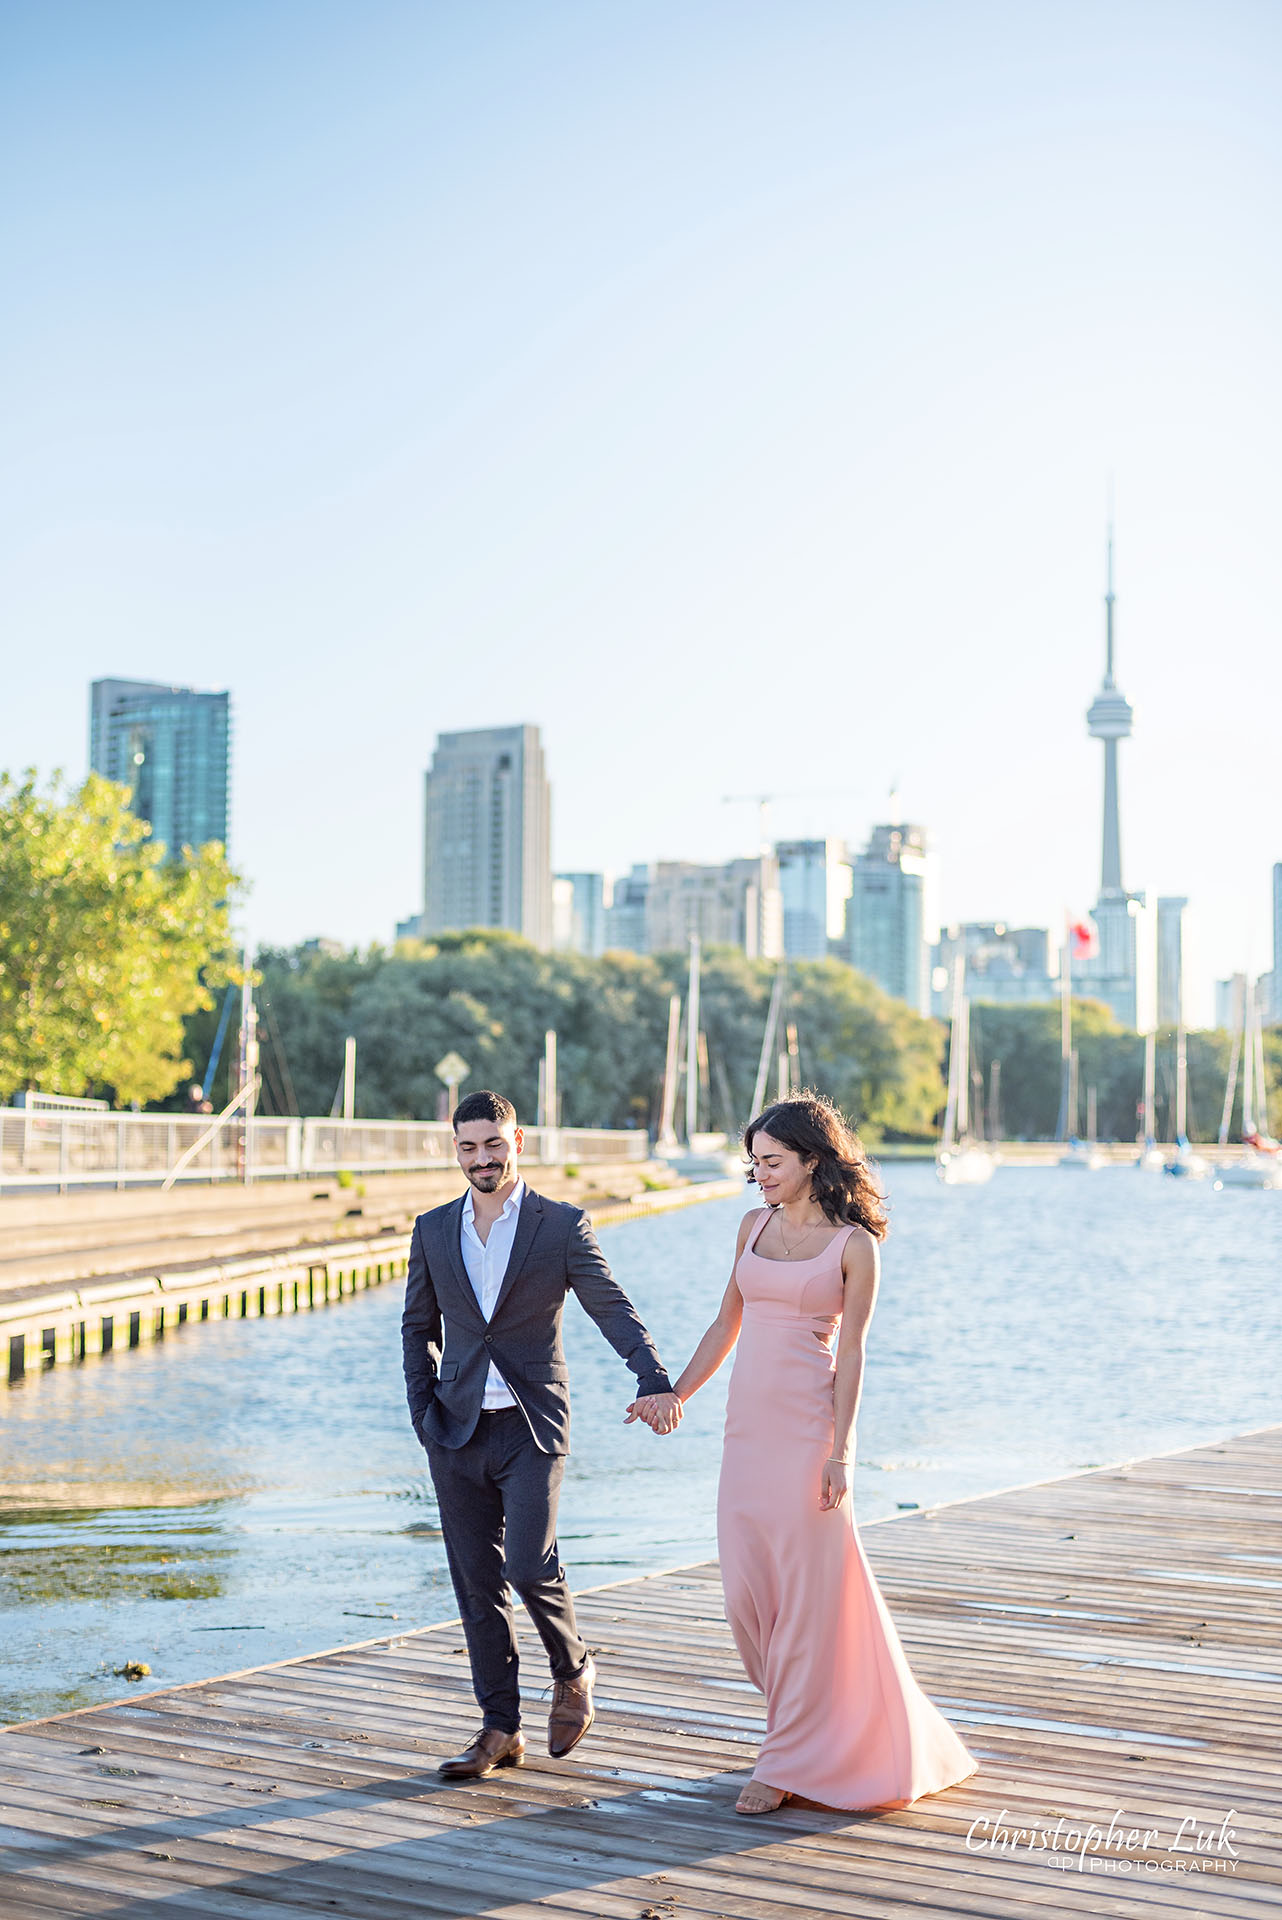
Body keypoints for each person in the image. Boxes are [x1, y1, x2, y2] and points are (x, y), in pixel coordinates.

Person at [630, 1092, 978, 1815]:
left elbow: (852, 1357)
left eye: (773, 1161)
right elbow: (726, 1322)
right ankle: (813, 1727)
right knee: (746, 1598)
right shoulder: (750, 1226)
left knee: (807, 1602)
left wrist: (840, 1453)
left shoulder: (856, 1246)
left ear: (812, 1160)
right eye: (753, 1161)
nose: (759, 1174)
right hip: (745, 1433)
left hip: (807, 1435)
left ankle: (783, 1757)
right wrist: (678, 1393)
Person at [402, 1089, 682, 1779]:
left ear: (517, 1143)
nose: (481, 1159)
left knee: (527, 1564)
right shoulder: (434, 1229)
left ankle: (573, 1669)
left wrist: (652, 1376)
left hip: (532, 1425)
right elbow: (417, 1328)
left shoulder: (560, 1226)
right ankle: (499, 1729)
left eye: (493, 1144)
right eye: (468, 1147)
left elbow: (609, 1305)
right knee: (475, 1585)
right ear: (455, 1149)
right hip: (457, 1428)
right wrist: (423, 1414)